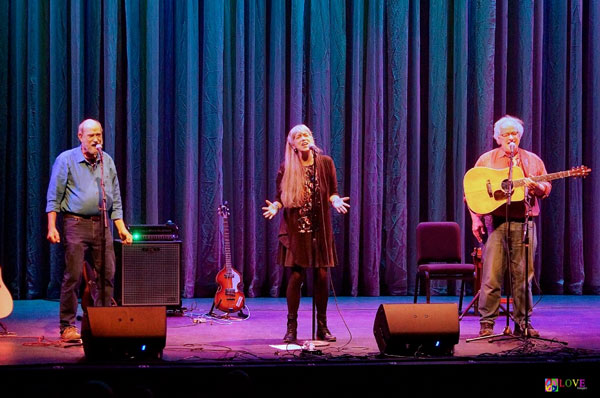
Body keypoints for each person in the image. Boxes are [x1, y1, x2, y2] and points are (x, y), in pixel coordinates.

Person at [46, 119, 133, 341]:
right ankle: (67, 326)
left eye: (99, 135)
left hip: (102, 223)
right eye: (91, 135)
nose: (96, 139)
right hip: (75, 223)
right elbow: (54, 196)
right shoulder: (66, 160)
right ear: (80, 137)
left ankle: (101, 322)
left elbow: (115, 197)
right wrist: (51, 226)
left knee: (107, 273)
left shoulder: (107, 161)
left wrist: (121, 227)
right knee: (73, 276)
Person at [262, 124, 349, 343]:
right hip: (296, 230)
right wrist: (275, 206)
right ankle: (291, 327)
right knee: (297, 276)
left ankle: (322, 326)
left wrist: (335, 200)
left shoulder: (325, 163)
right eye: (298, 136)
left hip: (320, 229)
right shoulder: (287, 168)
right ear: (291, 143)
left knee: (321, 275)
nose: (303, 138)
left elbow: (333, 192)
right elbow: (280, 197)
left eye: (306, 134)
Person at [469, 115, 551, 337]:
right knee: (491, 276)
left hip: (524, 224)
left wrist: (537, 187)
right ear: (498, 138)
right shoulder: (487, 160)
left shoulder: (532, 160)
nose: (511, 137)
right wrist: (476, 219)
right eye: (505, 134)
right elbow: (472, 193)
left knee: (524, 276)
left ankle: (523, 323)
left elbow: (546, 187)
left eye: (514, 133)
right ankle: (487, 324)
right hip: (495, 224)